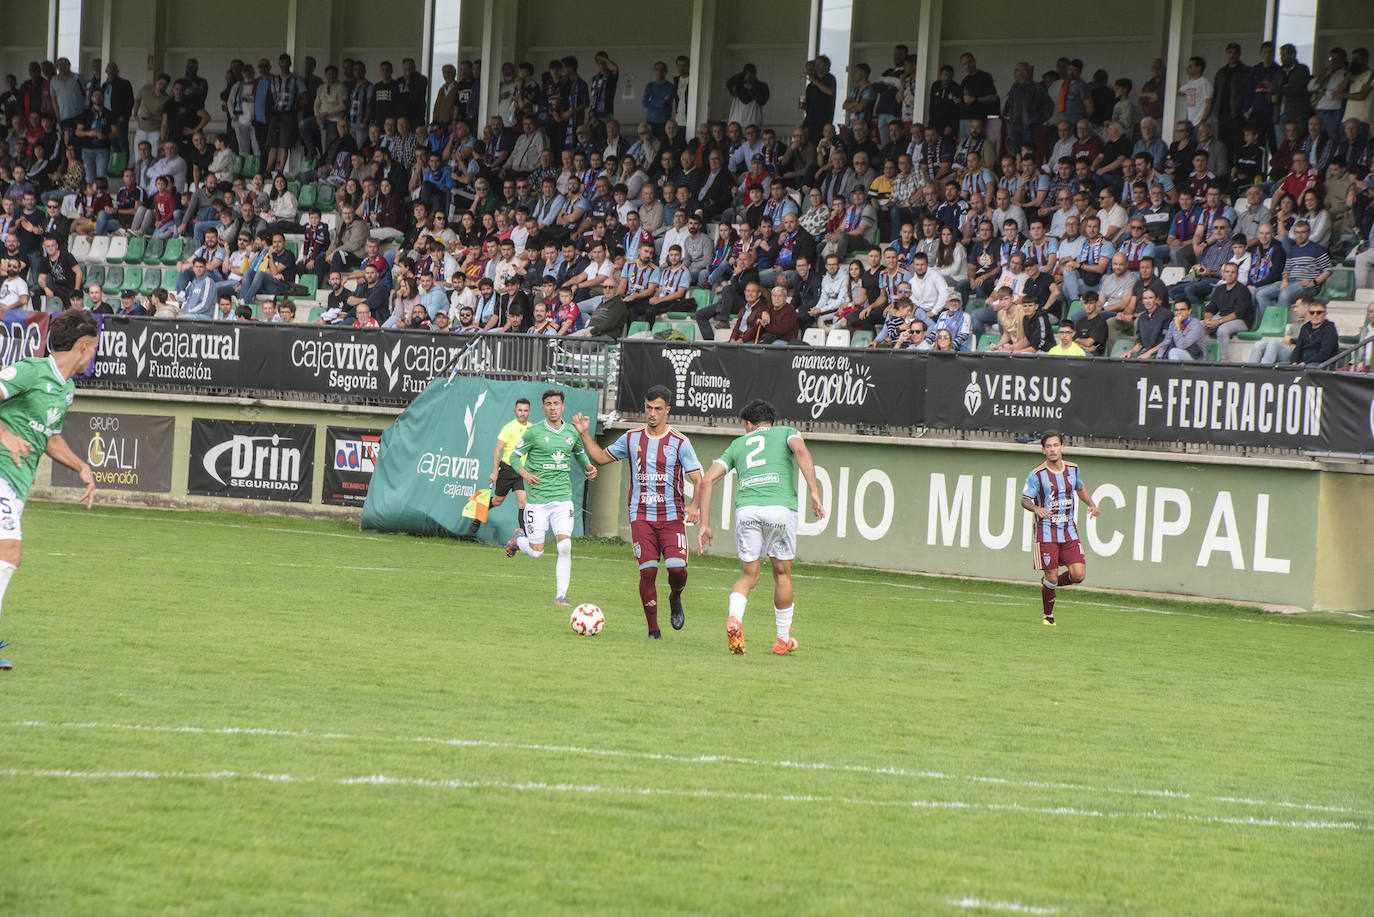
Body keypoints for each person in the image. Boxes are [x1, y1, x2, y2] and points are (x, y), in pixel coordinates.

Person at [0, 309, 101, 670]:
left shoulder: (66, 389)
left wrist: (81, 467)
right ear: (83, 346)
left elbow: (49, 438)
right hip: (0, 472)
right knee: (9, 553)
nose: (94, 356)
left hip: (15, 482)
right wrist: (6, 435)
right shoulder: (31, 370)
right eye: (94, 349)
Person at [570, 386, 703, 638]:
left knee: (677, 569)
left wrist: (694, 505)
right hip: (640, 516)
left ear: (667, 410)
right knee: (648, 571)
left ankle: (675, 598)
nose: (652, 414)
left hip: (672, 517)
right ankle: (654, 630)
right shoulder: (631, 439)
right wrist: (585, 434)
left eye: (657, 409)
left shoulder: (680, 442)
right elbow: (599, 457)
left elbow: (698, 478)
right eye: (648, 407)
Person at [695, 399, 825, 657]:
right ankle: (782, 640)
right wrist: (813, 492)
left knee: (748, 576)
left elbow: (707, 480)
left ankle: (734, 619)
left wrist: (705, 524)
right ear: (770, 422)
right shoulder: (787, 432)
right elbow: (801, 452)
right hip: (779, 509)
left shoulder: (737, 444)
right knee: (782, 574)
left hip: (747, 510)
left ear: (748, 424)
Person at [505, 390, 597, 609]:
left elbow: (578, 452)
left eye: (556, 403)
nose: (553, 407)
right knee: (537, 552)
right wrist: (525, 474)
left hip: (562, 499)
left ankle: (561, 596)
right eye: (548, 404)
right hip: (537, 500)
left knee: (565, 545)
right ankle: (518, 539)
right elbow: (513, 457)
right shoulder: (533, 433)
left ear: (563, 407)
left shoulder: (571, 432)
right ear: (543, 408)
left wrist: (588, 466)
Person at [1021, 430, 1099, 627]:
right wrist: (1036, 508)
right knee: (1052, 575)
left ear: (1062, 447)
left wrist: (1091, 503)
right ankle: (1048, 616)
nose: (1052, 449)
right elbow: (1024, 499)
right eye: (1048, 446)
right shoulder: (1037, 474)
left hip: (1069, 531)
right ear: (1043, 450)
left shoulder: (1073, 469)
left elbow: (1080, 488)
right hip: (1046, 531)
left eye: (1056, 445)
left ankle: (1049, 585)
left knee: (1078, 575)